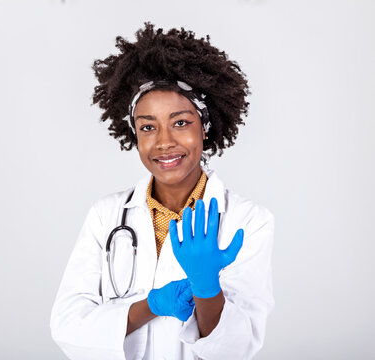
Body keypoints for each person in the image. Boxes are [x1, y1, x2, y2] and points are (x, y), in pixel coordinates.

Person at [50, 22, 275, 360]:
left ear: (205, 127)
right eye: (148, 127)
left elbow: (236, 349)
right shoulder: (106, 216)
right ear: (135, 135)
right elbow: (67, 327)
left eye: (181, 122)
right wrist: (151, 305)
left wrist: (206, 287)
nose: (165, 141)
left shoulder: (249, 220)